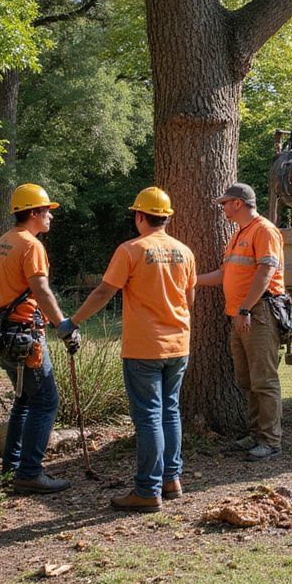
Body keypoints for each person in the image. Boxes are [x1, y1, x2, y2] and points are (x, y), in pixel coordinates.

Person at [61, 187, 196, 513]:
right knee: (170, 411)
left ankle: (148, 490)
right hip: (179, 344)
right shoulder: (184, 252)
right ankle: (171, 479)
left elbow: (105, 291)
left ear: (139, 216)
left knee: (149, 415)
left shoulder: (131, 250)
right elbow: (189, 301)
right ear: (166, 218)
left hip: (144, 348)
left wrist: (73, 321)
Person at [0, 183, 79, 494]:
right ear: (35, 213)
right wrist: (64, 326)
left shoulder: (2, 242)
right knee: (46, 400)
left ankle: (12, 468)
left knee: (25, 400)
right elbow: (41, 290)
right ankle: (30, 472)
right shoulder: (31, 246)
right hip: (24, 335)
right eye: (47, 211)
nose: (51, 216)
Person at [197, 183, 285, 461]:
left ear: (238, 203)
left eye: (225, 203)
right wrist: (192, 280)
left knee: (264, 380)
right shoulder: (239, 234)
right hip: (241, 314)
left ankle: (270, 441)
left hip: (257, 313)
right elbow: (225, 274)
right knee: (246, 380)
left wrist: (245, 309)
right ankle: (256, 434)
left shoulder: (264, 230)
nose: (222, 208)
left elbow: (266, 272)